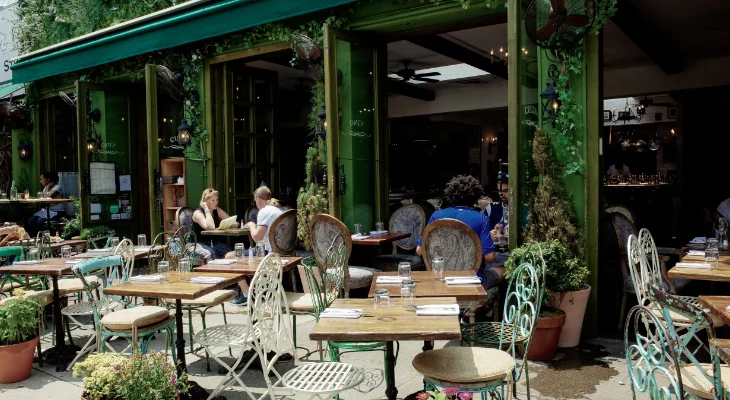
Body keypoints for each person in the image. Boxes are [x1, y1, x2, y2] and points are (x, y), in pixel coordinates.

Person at [416, 175, 502, 290]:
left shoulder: (437, 216)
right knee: (504, 269)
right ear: (475, 197)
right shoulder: (481, 218)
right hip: (471, 281)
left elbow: (419, 251)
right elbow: (490, 257)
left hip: (438, 279)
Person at [192, 188, 236, 260]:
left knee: (229, 251)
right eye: (213, 200)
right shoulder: (198, 213)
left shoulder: (217, 210)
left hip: (212, 244)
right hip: (197, 244)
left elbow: (232, 221)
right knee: (210, 254)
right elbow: (210, 227)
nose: (216, 202)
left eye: (217, 200)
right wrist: (206, 209)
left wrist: (234, 224)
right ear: (205, 201)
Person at [244, 186, 282, 253]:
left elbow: (258, 239)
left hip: (269, 252)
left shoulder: (264, 211)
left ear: (257, 199)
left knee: (230, 255)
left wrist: (251, 225)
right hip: (282, 251)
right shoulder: (279, 210)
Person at [26, 172, 65, 236]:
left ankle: (46, 236)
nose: (40, 181)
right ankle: (36, 236)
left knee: (40, 221)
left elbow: (47, 197)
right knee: (31, 221)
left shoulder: (57, 187)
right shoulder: (45, 188)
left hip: (58, 211)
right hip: (48, 210)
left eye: (42, 179)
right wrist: (27, 197)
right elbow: (41, 198)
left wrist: (48, 187)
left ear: (48, 180)